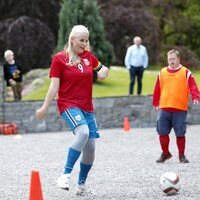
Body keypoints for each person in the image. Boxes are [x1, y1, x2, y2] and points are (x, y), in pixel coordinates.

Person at [35, 25, 109, 196]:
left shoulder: (89, 57)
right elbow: (54, 86)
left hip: (87, 108)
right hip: (68, 105)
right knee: (82, 133)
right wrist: (44, 108)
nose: (84, 43)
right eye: (81, 40)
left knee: (90, 150)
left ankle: (81, 186)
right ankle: (65, 175)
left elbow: (102, 68)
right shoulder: (60, 59)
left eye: (86, 40)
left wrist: (104, 72)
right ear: (72, 40)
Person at [152, 49, 199, 164]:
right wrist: (155, 102)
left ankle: (182, 156)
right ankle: (165, 153)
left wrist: (195, 97)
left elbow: (193, 86)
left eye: (173, 59)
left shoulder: (186, 72)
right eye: (169, 59)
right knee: (162, 132)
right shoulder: (162, 72)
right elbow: (157, 88)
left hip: (180, 109)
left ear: (178, 59)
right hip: (164, 108)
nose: (171, 61)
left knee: (180, 133)